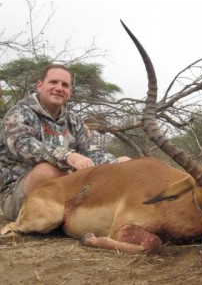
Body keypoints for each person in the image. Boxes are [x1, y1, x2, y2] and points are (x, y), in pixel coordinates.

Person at [0, 64, 130, 221]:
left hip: (66, 190)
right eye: (53, 82)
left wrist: (116, 167)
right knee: (47, 171)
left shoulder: (74, 121)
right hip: (18, 195)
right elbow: (24, 146)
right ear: (40, 86)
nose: (59, 88)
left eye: (65, 85)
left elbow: (94, 152)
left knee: (125, 163)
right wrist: (69, 156)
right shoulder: (18, 113)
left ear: (70, 92)